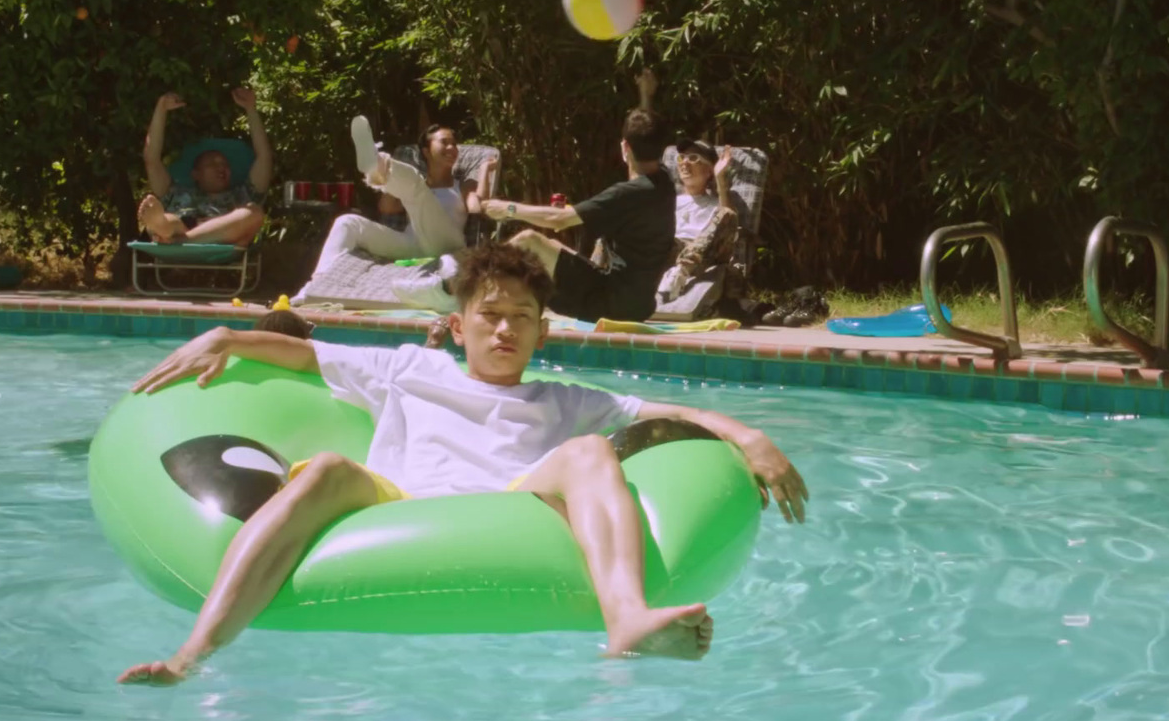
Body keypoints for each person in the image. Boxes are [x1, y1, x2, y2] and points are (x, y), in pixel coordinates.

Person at [117, 243, 807, 686]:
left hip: (511, 498)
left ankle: (626, 619)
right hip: (397, 499)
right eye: (490, 315)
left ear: (543, 329)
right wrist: (224, 333)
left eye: (522, 317)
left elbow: (663, 412)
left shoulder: (562, 400)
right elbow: (304, 353)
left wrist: (748, 437)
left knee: (593, 452)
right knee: (325, 466)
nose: (505, 329)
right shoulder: (408, 368)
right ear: (458, 326)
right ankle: (193, 652)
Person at [480, 109, 675, 323]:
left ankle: (472, 292)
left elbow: (559, 220)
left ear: (625, 147)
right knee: (551, 245)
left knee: (529, 241)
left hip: (609, 303)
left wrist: (508, 209)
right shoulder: (664, 182)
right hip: (639, 305)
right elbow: (646, 134)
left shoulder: (627, 193)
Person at [291, 120, 491, 306]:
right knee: (347, 222)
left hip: (449, 245)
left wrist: (484, 172)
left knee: (416, 188)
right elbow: (387, 208)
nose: (452, 148)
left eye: (454, 144)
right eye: (444, 142)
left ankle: (378, 166)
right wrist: (396, 186)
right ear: (426, 151)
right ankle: (313, 287)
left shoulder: (462, 183)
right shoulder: (418, 183)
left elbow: (475, 207)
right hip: (412, 244)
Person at [137, 88, 272, 247]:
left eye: (224, 164)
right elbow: (151, 160)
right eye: (212, 164)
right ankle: (161, 224)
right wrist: (161, 108)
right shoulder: (176, 193)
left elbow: (264, 157)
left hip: (220, 236)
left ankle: (183, 241)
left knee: (254, 213)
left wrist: (251, 108)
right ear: (195, 174)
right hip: (180, 226)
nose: (220, 167)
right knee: (170, 221)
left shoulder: (242, 194)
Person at [659, 140, 742, 302]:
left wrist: (720, 179)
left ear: (708, 171)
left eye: (694, 158)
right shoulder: (668, 201)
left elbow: (730, 221)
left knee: (728, 215)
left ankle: (680, 274)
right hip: (670, 250)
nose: (685, 163)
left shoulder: (717, 203)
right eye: (682, 158)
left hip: (705, 256)